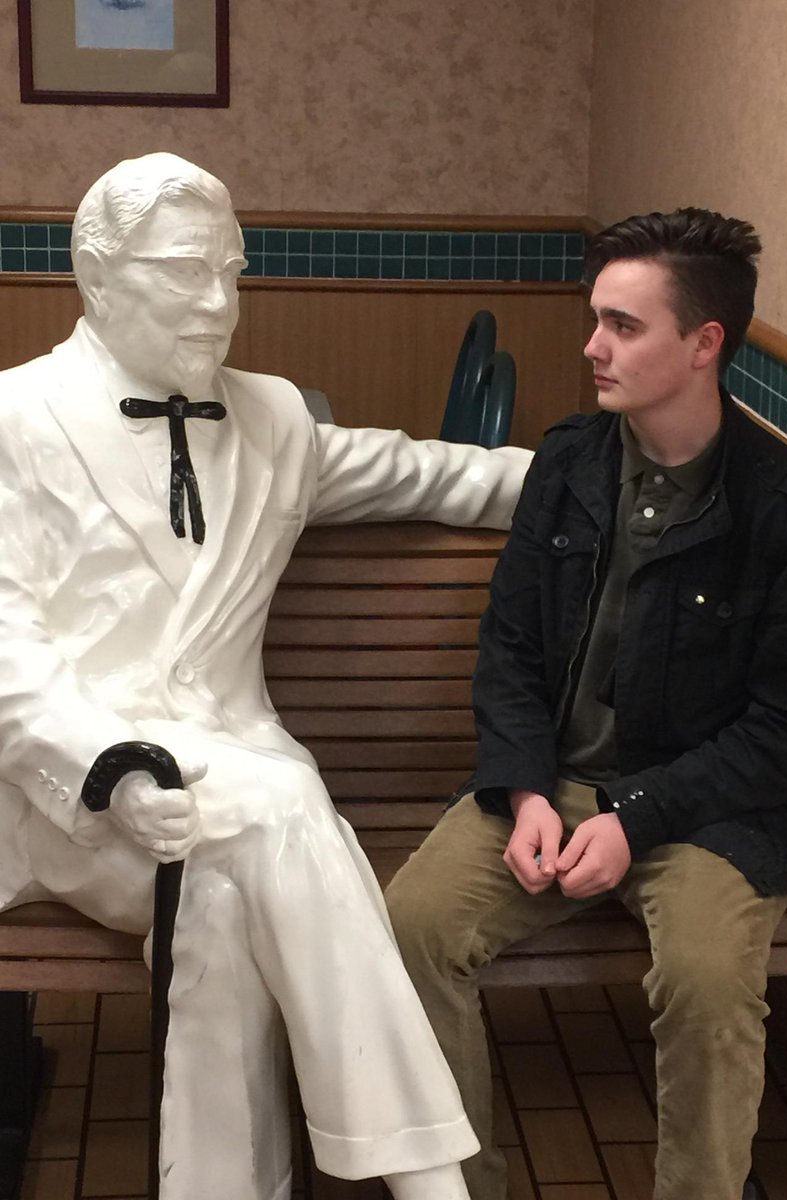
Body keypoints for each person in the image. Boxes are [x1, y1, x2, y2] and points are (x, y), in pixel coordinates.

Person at [0, 152, 533, 1200]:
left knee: (219, 909)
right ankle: (432, 1179)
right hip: (67, 802)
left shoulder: (276, 419)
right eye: (182, 272)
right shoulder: (12, 421)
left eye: (230, 271)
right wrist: (115, 767)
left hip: (222, 798)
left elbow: (437, 473)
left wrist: (622, 473)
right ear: (96, 278)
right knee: (286, 802)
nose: (217, 303)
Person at [386, 208, 787, 1200]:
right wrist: (525, 791)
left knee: (707, 984)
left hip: (712, 811)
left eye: (623, 326)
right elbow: (511, 648)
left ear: (704, 343)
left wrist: (635, 818)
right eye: (595, 319)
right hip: (556, 783)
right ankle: (463, 1189)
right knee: (412, 929)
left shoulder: (783, 507)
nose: (591, 346)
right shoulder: (569, 462)